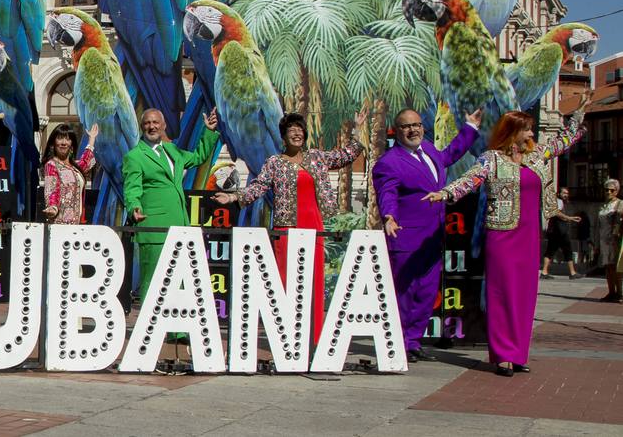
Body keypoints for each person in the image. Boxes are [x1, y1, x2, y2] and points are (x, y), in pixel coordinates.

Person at [427, 111, 587, 376]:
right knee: (501, 293)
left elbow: (565, 141)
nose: (532, 135)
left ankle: (518, 353)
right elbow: (470, 179)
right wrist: (445, 193)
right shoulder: (492, 160)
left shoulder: (536, 157)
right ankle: (502, 355)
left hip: (529, 237)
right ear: (513, 131)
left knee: (525, 295)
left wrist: (580, 112)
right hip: (502, 235)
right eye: (528, 130)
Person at [215, 110, 365, 344]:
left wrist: (356, 130)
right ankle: (286, 339)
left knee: (313, 281)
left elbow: (344, 156)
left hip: (313, 226)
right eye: (291, 130)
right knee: (286, 280)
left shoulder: (316, 158)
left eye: (300, 130)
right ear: (283, 138)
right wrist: (234, 197)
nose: (297, 133)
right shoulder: (274, 163)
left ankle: (312, 339)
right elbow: (259, 186)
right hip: (287, 229)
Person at [371, 106, 483, 362]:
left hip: (432, 237)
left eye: (417, 125)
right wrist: (389, 216)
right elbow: (386, 193)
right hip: (406, 238)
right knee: (405, 293)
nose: (413, 130)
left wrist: (470, 128)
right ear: (396, 131)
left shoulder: (429, 150)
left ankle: (413, 340)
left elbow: (450, 155)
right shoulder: (389, 162)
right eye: (406, 126)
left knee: (427, 293)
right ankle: (398, 341)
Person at [123, 108, 219, 300]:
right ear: (142, 127)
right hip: (154, 228)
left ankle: (179, 331)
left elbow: (198, 157)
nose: (152, 126)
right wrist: (134, 207)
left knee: (179, 281)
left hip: (179, 225)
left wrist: (207, 131)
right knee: (153, 283)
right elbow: (132, 189)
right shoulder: (134, 156)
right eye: (147, 123)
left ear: (164, 125)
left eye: (155, 122)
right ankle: (150, 328)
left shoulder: (172, 150)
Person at [41, 123, 97, 225]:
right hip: (60, 224)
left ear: (71, 144)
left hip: (76, 224)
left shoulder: (74, 167)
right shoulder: (52, 165)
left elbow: (85, 162)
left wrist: (91, 140)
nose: (63, 142)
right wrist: (52, 207)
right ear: (53, 143)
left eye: (67, 139)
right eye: (60, 138)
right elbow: (52, 189)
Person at [540, 187, 583, 280]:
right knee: (567, 250)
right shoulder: (558, 201)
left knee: (550, 251)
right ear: (559, 193)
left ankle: (544, 272)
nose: (566, 195)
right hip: (560, 230)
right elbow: (557, 213)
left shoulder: (560, 202)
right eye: (564, 193)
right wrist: (570, 218)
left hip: (555, 230)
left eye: (567, 193)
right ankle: (572, 272)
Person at [599, 179, 623, 302]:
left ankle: (620, 293)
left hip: (614, 240)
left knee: (616, 267)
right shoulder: (604, 205)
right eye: (606, 189)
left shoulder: (620, 204)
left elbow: (620, 222)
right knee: (608, 267)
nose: (609, 192)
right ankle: (611, 292)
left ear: (617, 191)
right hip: (603, 240)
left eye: (612, 190)